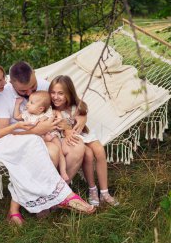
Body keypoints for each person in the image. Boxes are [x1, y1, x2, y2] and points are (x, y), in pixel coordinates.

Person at [0, 59, 96, 226]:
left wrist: (82, 116)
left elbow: (71, 103)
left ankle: (51, 199)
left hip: (6, 139)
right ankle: (63, 196)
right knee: (32, 145)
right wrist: (18, 126)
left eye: (3, 77)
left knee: (37, 145)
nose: (4, 82)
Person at [0, 61, 87, 182]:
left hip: (50, 135)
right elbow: (0, 133)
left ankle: (60, 191)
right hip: (20, 139)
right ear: (11, 83)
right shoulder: (3, 96)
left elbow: (67, 106)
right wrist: (36, 131)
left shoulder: (46, 86)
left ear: (34, 73)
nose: (30, 93)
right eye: (23, 91)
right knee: (50, 153)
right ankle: (48, 192)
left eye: (33, 87)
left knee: (77, 147)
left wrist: (82, 117)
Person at [49, 75, 119, 207]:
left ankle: (105, 192)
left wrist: (83, 117)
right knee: (88, 154)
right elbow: (62, 129)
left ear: (69, 93)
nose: (55, 97)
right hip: (70, 138)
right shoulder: (53, 111)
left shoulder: (77, 107)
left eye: (60, 93)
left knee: (99, 150)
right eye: (52, 92)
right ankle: (92, 189)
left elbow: (83, 113)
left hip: (83, 134)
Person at [13, 90, 69, 181]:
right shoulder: (27, 114)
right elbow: (16, 117)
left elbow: (56, 113)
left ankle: (63, 171)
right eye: (28, 102)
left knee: (59, 152)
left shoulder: (46, 114)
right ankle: (47, 175)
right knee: (44, 153)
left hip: (51, 134)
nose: (27, 104)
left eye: (31, 103)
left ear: (41, 109)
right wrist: (17, 105)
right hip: (39, 137)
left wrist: (59, 118)